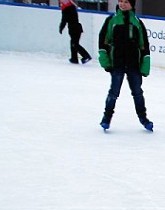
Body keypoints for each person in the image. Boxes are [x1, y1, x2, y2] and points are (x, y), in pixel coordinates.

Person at [97, 0, 153, 131]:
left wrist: (145, 66)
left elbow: (144, 45)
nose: (122, 4)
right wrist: (105, 62)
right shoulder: (112, 20)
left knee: (138, 93)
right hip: (117, 63)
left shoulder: (137, 23)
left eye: (126, 2)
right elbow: (103, 42)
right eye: (120, 1)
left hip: (134, 65)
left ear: (132, 4)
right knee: (114, 92)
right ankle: (106, 118)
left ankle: (143, 119)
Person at [59, 0, 91, 64]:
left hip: (74, 29)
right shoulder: (72, 8)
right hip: (77, 28)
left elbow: (64, 20)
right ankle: (74, 58)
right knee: (73, 43)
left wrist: (61, 28)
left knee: (75, 44)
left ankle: (86, 56)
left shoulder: (66, 10)